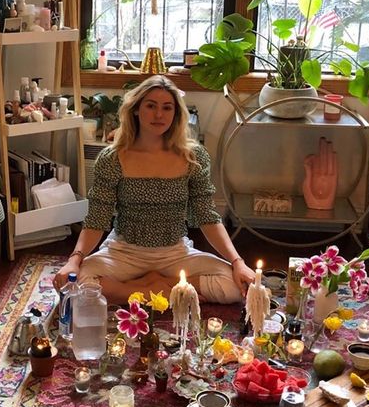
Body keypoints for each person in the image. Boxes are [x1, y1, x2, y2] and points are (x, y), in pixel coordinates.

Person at [53, 75, 256, 304]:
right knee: (77, 282)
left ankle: (142, 290)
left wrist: (238, 262)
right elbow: (96, 219)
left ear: (175, 114)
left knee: (233, 284)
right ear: (137, 109)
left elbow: (207, 216)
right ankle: (167, 292)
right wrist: (74, 260)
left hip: (175, 252)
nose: (159, 115)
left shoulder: (193, 157)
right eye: (151, 106)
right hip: (125, 251)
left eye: (167, 108)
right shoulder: (112, 158)